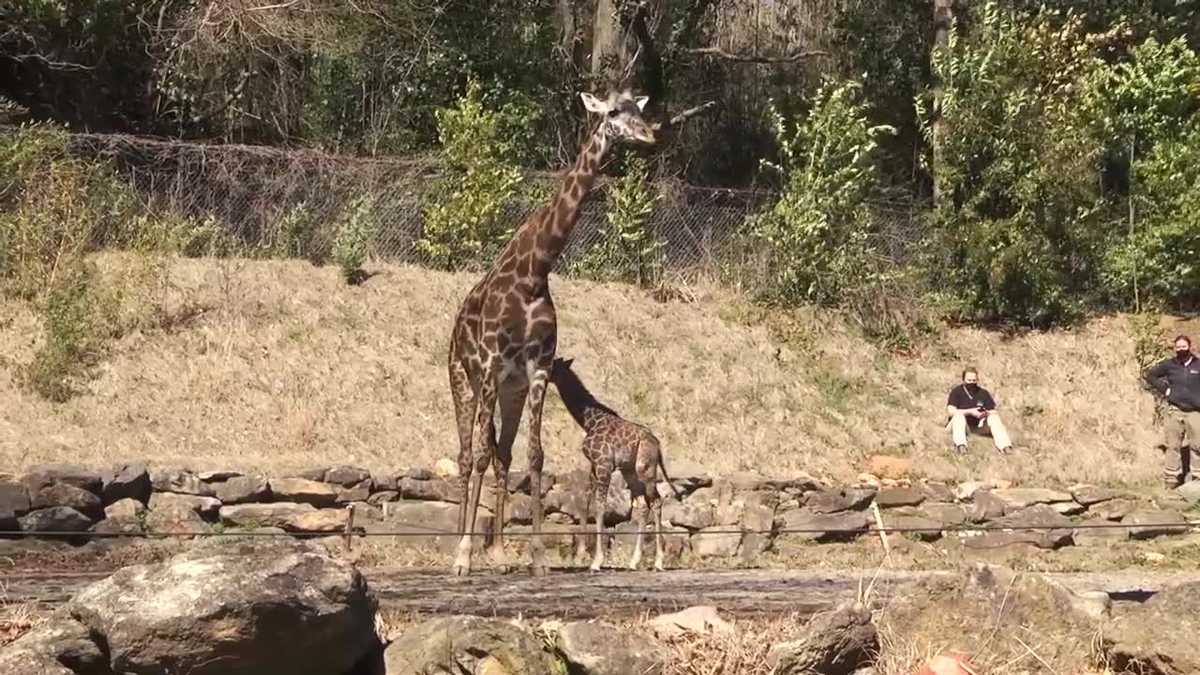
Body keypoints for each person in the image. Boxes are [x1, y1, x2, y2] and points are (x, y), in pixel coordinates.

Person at [1143, 335, 1200, 488]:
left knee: (1197, 446)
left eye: (1184, 346)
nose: (1181, 349)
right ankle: (1171, 480)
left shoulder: (1198, 365)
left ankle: (1197, 479)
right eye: (1178, 347)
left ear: (1190, 346)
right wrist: (1165, 390)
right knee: (1173, 446)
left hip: (1195, 411)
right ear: (1175, 349)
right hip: (1174, 410)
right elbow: (1150, 375)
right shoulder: (1169, 365)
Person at [945, 367, 1013, 455]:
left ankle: (1005, 446)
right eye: (969, 380)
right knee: (959, 416)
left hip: (977, 426)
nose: (971, 382)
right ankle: (961, 446)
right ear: (963, 379)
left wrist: (985, 414)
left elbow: (993, 411)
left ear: (977, 380)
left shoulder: (983, 393)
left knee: (994, 418)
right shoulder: (957, 392)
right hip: (958, 426)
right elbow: (951, 411)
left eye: (974, 380)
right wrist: (970, 411)